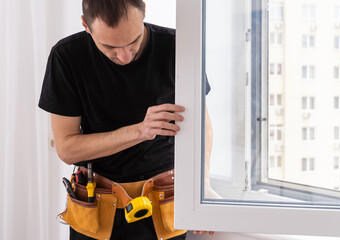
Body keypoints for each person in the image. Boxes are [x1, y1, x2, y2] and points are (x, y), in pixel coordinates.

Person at [39, 0, 214, 239]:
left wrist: (201, 187)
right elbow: (67, 149)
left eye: (134, 41)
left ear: (144, 11)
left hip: (164, 204)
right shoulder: (66, 56)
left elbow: (201, 126)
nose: (124, 56)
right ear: (86, 26)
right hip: (96, 205)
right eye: (109, 47)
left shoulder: (177, 46)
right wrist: (139, 131)